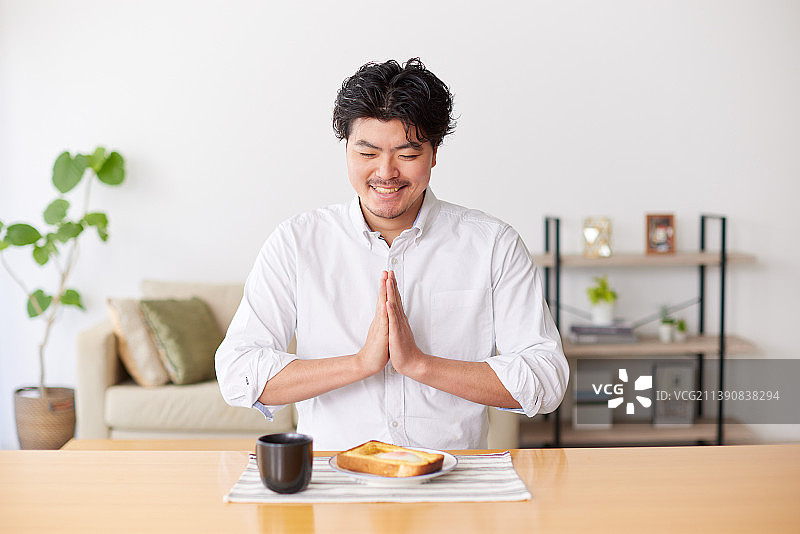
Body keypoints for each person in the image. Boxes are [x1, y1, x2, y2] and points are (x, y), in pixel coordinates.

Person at [215, 58, 568, 450]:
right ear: (346, 149)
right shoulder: (297, 242)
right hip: (336, 482)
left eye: (407, 153)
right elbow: (236, 372)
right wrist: (359, 364)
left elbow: (547, 377)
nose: (386, 172)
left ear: (434, 152)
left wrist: (420, 365)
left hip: (453, 482)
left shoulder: (492, 244)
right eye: (366, 153)